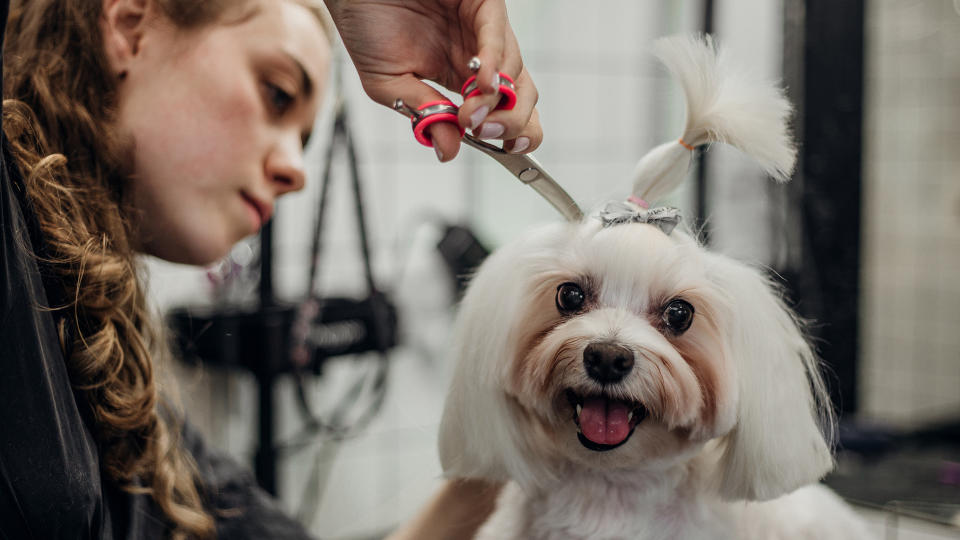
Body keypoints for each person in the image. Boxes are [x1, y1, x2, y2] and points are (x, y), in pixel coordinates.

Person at [0, 0, 539, 538]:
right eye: (277, 93)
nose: (296, 172)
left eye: (304, 140)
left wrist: (511, 441)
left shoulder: (118, 374)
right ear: (130, 25)